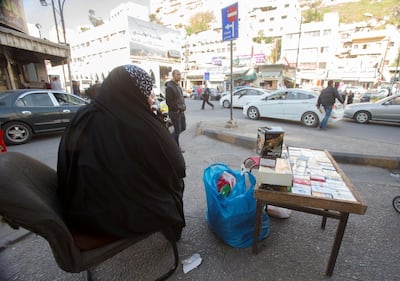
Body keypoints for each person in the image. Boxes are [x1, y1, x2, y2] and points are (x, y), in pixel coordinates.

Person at [57, 65, 186, 243]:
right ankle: (172, 232)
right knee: (174, 186)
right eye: (147, 94)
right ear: (132, 93)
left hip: (81, 210)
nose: (150, 100)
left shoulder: (85, 115)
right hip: (112, 217)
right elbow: (178, 167)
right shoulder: (132, 123)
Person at [165, 69, 186, 151]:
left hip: (181, 111)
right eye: (177, 74)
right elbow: (169, 101)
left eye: (180, 74)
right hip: (175, 112)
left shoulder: (178, 86)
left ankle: (172, 143)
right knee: (177, 130)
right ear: (173, 75)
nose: (179, 76)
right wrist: (176, 109)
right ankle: (174, 146)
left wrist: (184, 107)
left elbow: (181, 99)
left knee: (182, 128)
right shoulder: (169, 87)